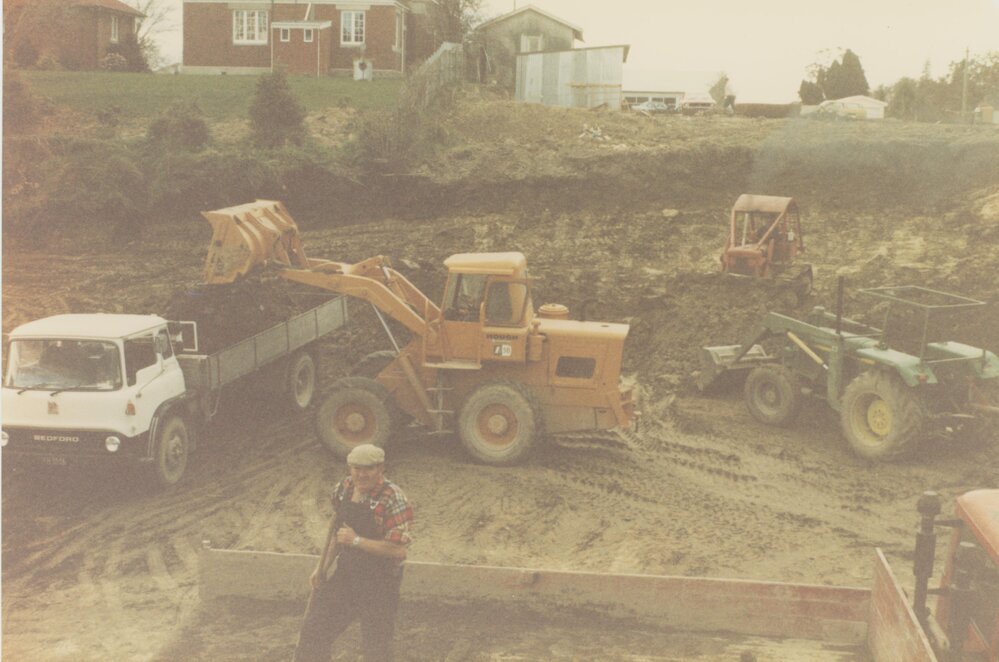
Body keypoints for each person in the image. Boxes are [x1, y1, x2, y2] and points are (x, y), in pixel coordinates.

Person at [293, 444, 413, 662]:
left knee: (376, 648)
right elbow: (337, 532)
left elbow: (398, 549)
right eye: (356, 468)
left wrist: (356, 541)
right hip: (347, 575)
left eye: (368, 469)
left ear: (381, 468)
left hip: (380, 582)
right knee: (314, 631)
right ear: (350, 468)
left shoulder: (393, 498)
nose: (361, 474)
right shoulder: (344, 488)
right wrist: (321, 568)